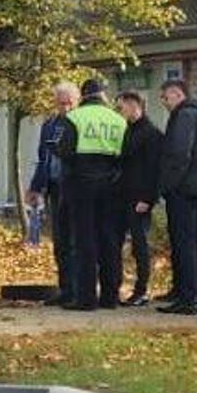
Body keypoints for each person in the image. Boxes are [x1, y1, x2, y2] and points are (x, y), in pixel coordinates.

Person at [57, 78, 127, 311]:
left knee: (84, 240)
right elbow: (125, 154)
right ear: (103, 95)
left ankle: (86, 297)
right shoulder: (118, 119)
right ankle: (110, 296)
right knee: (109, 239)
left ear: (83, 95)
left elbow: (64, 150)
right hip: (112, 184)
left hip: (81, 183)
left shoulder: (74, 117)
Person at [156, 79, 197, 316]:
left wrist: (166, 186)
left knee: (184, 243)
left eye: (164, 98)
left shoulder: (184, 115)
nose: (163, 103)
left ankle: (186, 299)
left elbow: (178, 155)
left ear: (176, 94)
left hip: (184, 188)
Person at [26, 81, 79, 307]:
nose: (65, 107)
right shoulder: (49, 125)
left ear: (76, 102)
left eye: (69, 103)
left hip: (75, 188)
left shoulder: (79, 123)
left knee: (75, 241)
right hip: (55, 188)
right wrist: (35, 187)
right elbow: (43, 158)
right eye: (61, 103)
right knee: (60, 242)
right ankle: (65, 288)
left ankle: (78, 289)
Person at [115, 91, 162, 307]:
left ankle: (141, 290)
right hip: (125, 196)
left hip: (139, 199)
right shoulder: (129, 131)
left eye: (121, 106)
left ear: (134, 105)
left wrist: (148, 198)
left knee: (139, 245)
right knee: (123, 243)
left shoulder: (150, 134)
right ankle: (118, 287)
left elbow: (154, 170)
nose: (120, 111)